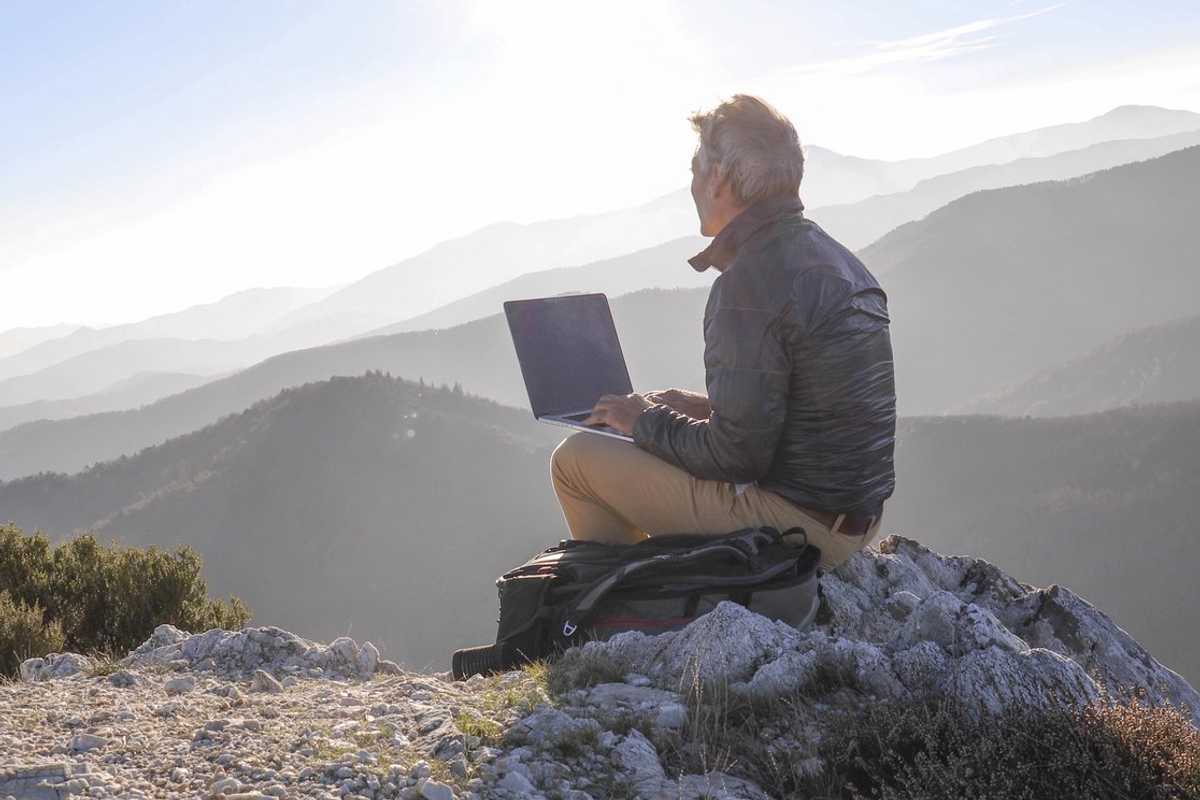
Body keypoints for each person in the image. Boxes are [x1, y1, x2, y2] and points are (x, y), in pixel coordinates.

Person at [551, 95, 896, 571]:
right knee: (637, 431)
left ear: (717, 178)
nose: (691, 184)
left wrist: (642, 423)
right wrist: (701, 409)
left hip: (801, 528)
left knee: (575, 459)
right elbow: (805, 408)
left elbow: (736, 460)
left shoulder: (749, 283)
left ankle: (630, 609)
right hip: (853, 519)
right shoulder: (835, 258)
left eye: (696, 169)